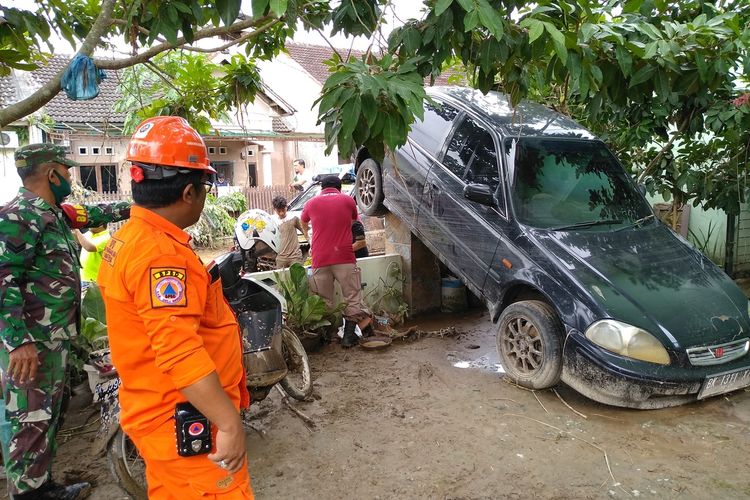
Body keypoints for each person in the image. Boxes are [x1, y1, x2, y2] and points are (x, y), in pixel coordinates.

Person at [97, 116, 253, 499]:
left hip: (157, 412)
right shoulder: (161, 257)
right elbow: (180, 353)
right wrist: (229, 424)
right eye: (204, 187)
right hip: (183, 418)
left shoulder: (130, 238)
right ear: (188, 192)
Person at [0, 143, 130, 500]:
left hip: (54, 337)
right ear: (51, 173)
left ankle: (44, 486)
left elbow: (93, 214)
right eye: (67, 170)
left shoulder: (55, 213)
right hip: (32, 343)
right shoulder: (17, 215)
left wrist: (137, 208)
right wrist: (19, 341)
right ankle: (29, 494)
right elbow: (2, 278)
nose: (71, 176)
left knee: (47, 417)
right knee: (28, 419)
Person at [300, 175, 372, 348]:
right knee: (352, 296)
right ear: (339, 188)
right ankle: (348, 337)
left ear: (322, 188)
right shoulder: (348, 200)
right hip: (345, 257)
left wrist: (310, 239)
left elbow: (303, 222)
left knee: (323, 300)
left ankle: (325, 337)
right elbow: (355, 222)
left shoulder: (311, 203)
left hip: (320, 258)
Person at [270, 196, 304, 269]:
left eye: (283, 210)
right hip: (281, 258)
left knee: (299, 279)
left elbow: (305, 231)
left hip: (295, 256)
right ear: (275, 209)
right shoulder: (273, 222)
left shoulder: (293, 218)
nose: (282, 213)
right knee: (281, 280)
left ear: (286, 207)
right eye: (279, 211)